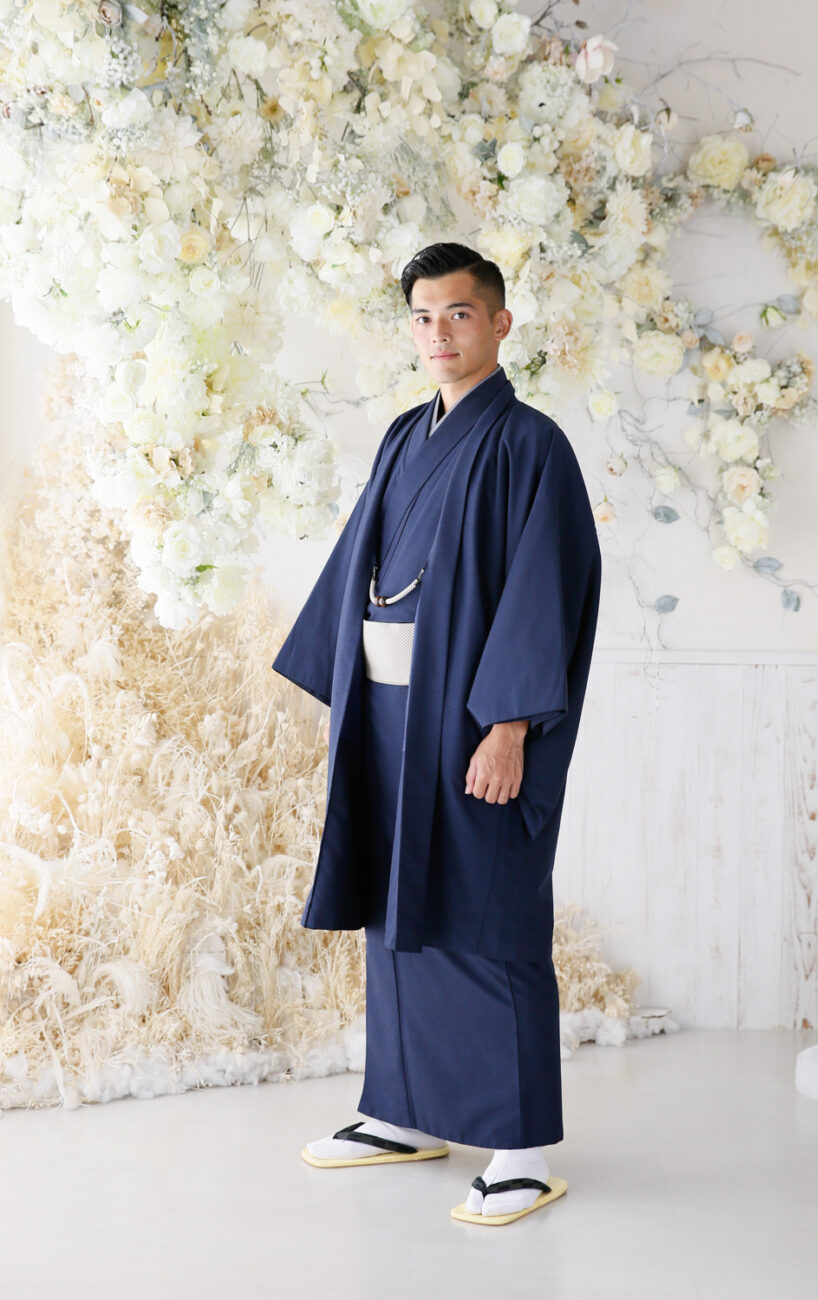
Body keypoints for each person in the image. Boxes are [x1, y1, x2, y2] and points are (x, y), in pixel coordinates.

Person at [272, 241, 602, 1225]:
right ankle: (402, 1111)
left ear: (499, 322)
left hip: (470, 713)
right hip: (387, 710)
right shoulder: (401, 435)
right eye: (422, 316)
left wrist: (510, 724)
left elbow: (545, 589)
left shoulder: (530, 444)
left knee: (487, 912)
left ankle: (523, 1148)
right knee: (395, 906)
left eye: (458, 313)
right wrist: (345, 690)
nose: (438, 333)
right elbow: (362, 565)